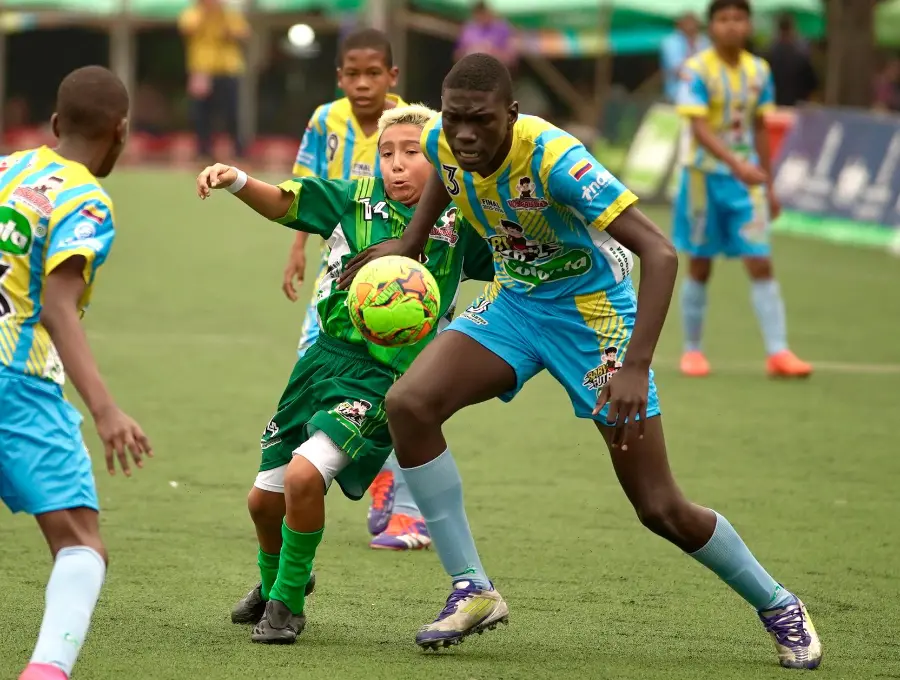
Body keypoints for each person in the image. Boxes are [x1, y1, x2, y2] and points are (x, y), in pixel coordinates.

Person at [338, 53, 823, 670]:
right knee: (409, 403)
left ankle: (779, 603)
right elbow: (442, 165)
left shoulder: (553, 159)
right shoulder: (444, 140)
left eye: (481, 121)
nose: (464, 135)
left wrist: (637, 366)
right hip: (515, 304)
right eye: (455, 119)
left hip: (596, 321)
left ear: (510, 114)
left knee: (659, 507)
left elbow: (661, 252)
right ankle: (472, 587)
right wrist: (409, 240)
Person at [196, 104, 494, 644]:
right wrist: (236, 178)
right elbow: (288, 203)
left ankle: (286, 607)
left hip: (386, 379)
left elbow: (512, 256)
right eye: (387, 154)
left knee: (305, 477)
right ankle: (280, 581)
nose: (397, 165)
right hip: (321, 363)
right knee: (263, 500)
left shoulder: (459, 226)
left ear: (438, 160)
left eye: (412, 153)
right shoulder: (355, 201)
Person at [1, 66, 152, 680]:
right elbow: (59, 306)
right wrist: (105, 409)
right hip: (19, 384)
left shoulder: (8, 168)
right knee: (81, 545)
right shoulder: (85, 199)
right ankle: (47, 671)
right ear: (120, 132)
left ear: (56, 124)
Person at [282, 28, 429, 550]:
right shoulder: (326, 120)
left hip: (404, 281)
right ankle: (314, 476)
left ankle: (406, 506)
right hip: (339, 277)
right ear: (339, 76)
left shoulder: (413, 125)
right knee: (317, 371)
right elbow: (307, 188)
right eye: (352, 73)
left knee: (401, 392)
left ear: (392, 77)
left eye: (373, 74)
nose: (362, 84)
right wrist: (298, 249)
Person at [674, 0, 812, 378]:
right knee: (700, 265)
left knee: (761, 260)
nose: (732, 26)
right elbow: (698, 129)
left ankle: (778, 352)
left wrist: (768, 184)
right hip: (703, 180)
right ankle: (692, 350)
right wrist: (737, 165)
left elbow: (760, 128)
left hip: (747, 183)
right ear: (711, 26)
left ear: (749, 25)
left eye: (738, 18)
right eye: (723, 19)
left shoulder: (759, 70)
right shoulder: (696, 70)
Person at [178, 0, 249, 160]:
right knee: (201, 113)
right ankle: (203, 151)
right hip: (202, 70)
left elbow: (243, 33)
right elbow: (187, 29)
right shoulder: (193, 12)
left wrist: (222, 15)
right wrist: (208, 14)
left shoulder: (229, 14)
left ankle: (239, 151)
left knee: (232, 112)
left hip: (229, 68)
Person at [766, 14, 817, 107]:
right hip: (797, 105)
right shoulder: (801, 55)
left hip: (775, 105)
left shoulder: (769, 54)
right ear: (792, 30)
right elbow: (811, 84)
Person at [660, 12, 710, 103]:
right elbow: (676, 69)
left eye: (694, 23)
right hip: (676, 94)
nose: (691, 26)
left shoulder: (704, 41)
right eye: (688, 23)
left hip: (703, 94)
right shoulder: (671, 42)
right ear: (679, 25)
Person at [455, 1, 518, 71]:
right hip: (472, 72)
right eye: (478, 14)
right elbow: (457, 55)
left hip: (496, 72)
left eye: (483, 13)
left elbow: (512, 58)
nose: (481, 17)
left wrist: (493, 53)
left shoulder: (502, 28)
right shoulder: (468, 29)